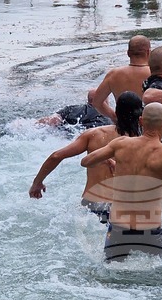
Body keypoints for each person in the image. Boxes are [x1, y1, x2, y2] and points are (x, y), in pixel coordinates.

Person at [81, 103, 162, 260]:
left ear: (141, 121)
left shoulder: (121, 144)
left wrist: (110, 161)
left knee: (111, 278)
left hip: (118, 228)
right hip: (150, 229)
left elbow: (86, 161)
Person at [29, 92, 144, 223]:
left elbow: (56, 156)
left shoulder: (94, 134)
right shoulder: (146, 143)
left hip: (93, 204)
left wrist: (37, 183)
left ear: (115, 112)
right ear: (140, 116)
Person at [87, 34, 152, 122]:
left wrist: (114, 117)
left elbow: (97, 102)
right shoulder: (154, 73)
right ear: (148, 52)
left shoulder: (114, 74)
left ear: (128, 53)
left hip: (122, 126)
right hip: (149, 125)